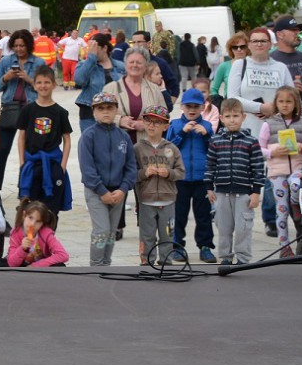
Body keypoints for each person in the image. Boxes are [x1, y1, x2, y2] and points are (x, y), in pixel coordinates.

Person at [79, 92, 137, 266]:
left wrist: (124, 189)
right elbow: (87, 169)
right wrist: (101, 191)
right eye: (101, 108)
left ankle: (106, 263)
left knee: (112, 231)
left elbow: (131, 166)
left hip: (118, 192)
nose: (105, 112)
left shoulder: (124, 137)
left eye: (110, 108)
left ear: (116, 111)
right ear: (94, 112)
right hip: (96, 192)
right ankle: (96, 265)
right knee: (102, 230)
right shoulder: (88, 136)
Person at [206, 99, 266, 266]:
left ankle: (243, 258)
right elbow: (210, 165)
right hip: (221, 192)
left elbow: (258, 168)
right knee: (223, 227)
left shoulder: (251, 141)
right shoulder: (215, 141)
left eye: (235, 116)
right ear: (221, 118)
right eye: (228, 116)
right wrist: (209, 187)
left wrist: (256, 192)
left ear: (243, 116)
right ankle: (225, 256)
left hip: (244, 193)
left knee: (243, 228)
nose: (232, 120)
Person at [256, 85, 302, 257]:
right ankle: (284, 246)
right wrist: (272, 152)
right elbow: (258, 149)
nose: (285, 105)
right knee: (281, 209)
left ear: (296, 104)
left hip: (297, 169)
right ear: (276, 103)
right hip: (277, 173)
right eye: (281, 101)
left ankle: (295, 203)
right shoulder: (269, 124)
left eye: (289, 101)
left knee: (296, 186)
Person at [15, 65, 73, 217]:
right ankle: (32, 239)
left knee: (51, 208)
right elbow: (21, 137)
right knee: (31, 207)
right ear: (34, 85)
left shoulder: (60, 112)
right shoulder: (28, 110)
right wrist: (22, 162)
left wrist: (63, 165)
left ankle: (49, 237)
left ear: (54, 84)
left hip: (53, 163)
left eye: (47, 82)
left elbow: (67, 139)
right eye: (39, 82)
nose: (43, 86)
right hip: (32, 163)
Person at [167, 87, 216, 263]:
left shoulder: (208, 126)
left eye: (196, 106)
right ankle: (176, 246)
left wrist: (206, 135)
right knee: (178, 214)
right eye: (188, 106)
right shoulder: (175, 125)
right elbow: (169, 148)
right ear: (182, 106)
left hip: (202, 179)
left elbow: (214, 150)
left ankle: (205, 247)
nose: (192, 110)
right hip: (180, 179)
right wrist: (183, 132)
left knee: (203, 215)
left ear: (203, 107)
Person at [0, 29, 45, 187]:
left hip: (32, 109)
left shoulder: (38, 63)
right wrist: (6, 77)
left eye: (22, 45)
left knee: (29, 150)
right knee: (3, 149)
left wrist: (29, 79)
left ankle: (26, 187)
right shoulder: (5, 61)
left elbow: (45, 88)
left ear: (28, 45)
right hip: (10, 108)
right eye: (15, 45)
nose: (18, 49)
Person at [133, 105, 183, 265]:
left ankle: (166, 263)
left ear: (166, 126)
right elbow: (130, 174)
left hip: (168, 201)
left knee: (167, 234)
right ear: (143, 122)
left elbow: (181, 172)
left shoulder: (172, 149)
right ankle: (146, 263)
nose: (152, 125)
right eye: (148, 121)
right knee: (147, 235)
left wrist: (169, 173)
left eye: (157, 122)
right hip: (146, 201)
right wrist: (143, 173)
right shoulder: (138, 148)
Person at [74, 32, 124, 137]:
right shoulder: (85, 65)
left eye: (94, 48)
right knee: (92, 147)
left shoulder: (120, 66)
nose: (91, 50)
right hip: (89, 115)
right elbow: (79, 80)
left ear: (104, 48)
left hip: (114, 114)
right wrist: (91, 58)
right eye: (89, 47)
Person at [6, 201, 69, 268]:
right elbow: (12, 264)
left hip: (41, 268)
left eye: (38, 221)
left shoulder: (46, 233)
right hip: (21, 268)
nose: (32, 224)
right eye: (30, 218)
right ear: (24, 215)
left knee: (60, 266)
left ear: (42, 223)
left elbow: (63, 255)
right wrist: (22, 249)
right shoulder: (16, 232)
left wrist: (35, 266)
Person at [129, 30, 179, 105]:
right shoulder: (130, 64)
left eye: (139, 42)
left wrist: (169, 105)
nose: (136, 45)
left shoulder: (160, 63)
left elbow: (174, 85)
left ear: (148, 44)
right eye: (133, 42)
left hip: (156, 110)